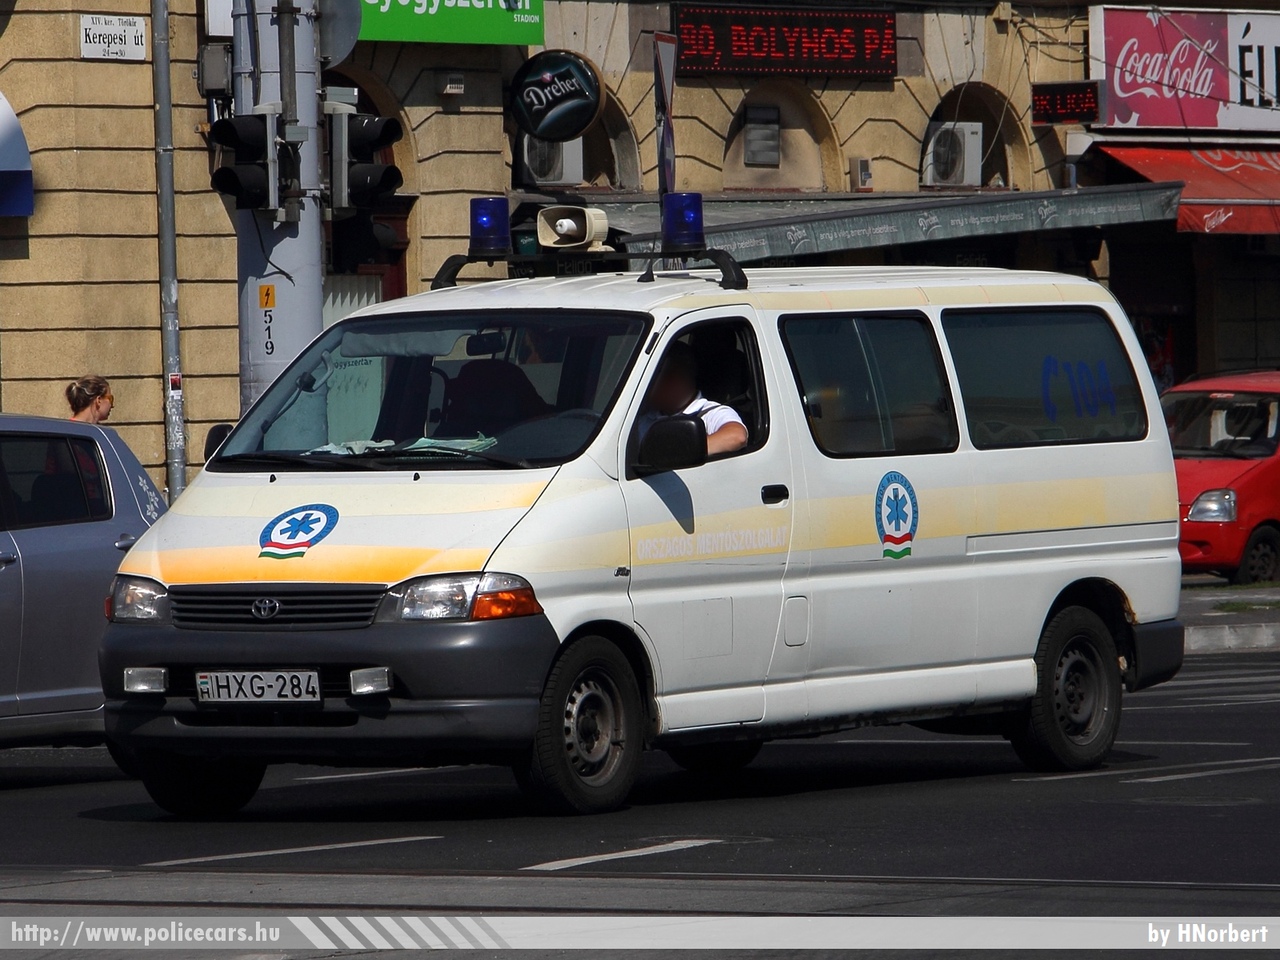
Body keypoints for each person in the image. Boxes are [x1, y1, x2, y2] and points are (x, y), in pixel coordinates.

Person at [638, 341, 748, 456]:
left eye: (656, 378)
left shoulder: (710, 413)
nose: (649, 386)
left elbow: (737, 436)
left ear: (680, 379)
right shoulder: (645, 419)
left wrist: (677, 452)